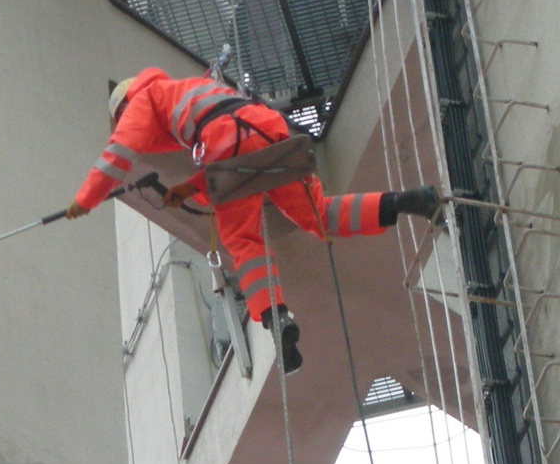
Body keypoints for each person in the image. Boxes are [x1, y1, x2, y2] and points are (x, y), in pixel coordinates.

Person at [66, 67, 442, 374]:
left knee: (243, 241)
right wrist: (187, 189)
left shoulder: (141, 102)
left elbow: (117, 155)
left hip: (228, 145)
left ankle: (276, 320)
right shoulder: (187, 87)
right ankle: (412, 201)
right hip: (267, 131)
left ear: (123, 107)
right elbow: (225, 140)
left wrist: (85, 200)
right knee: (318, 216)